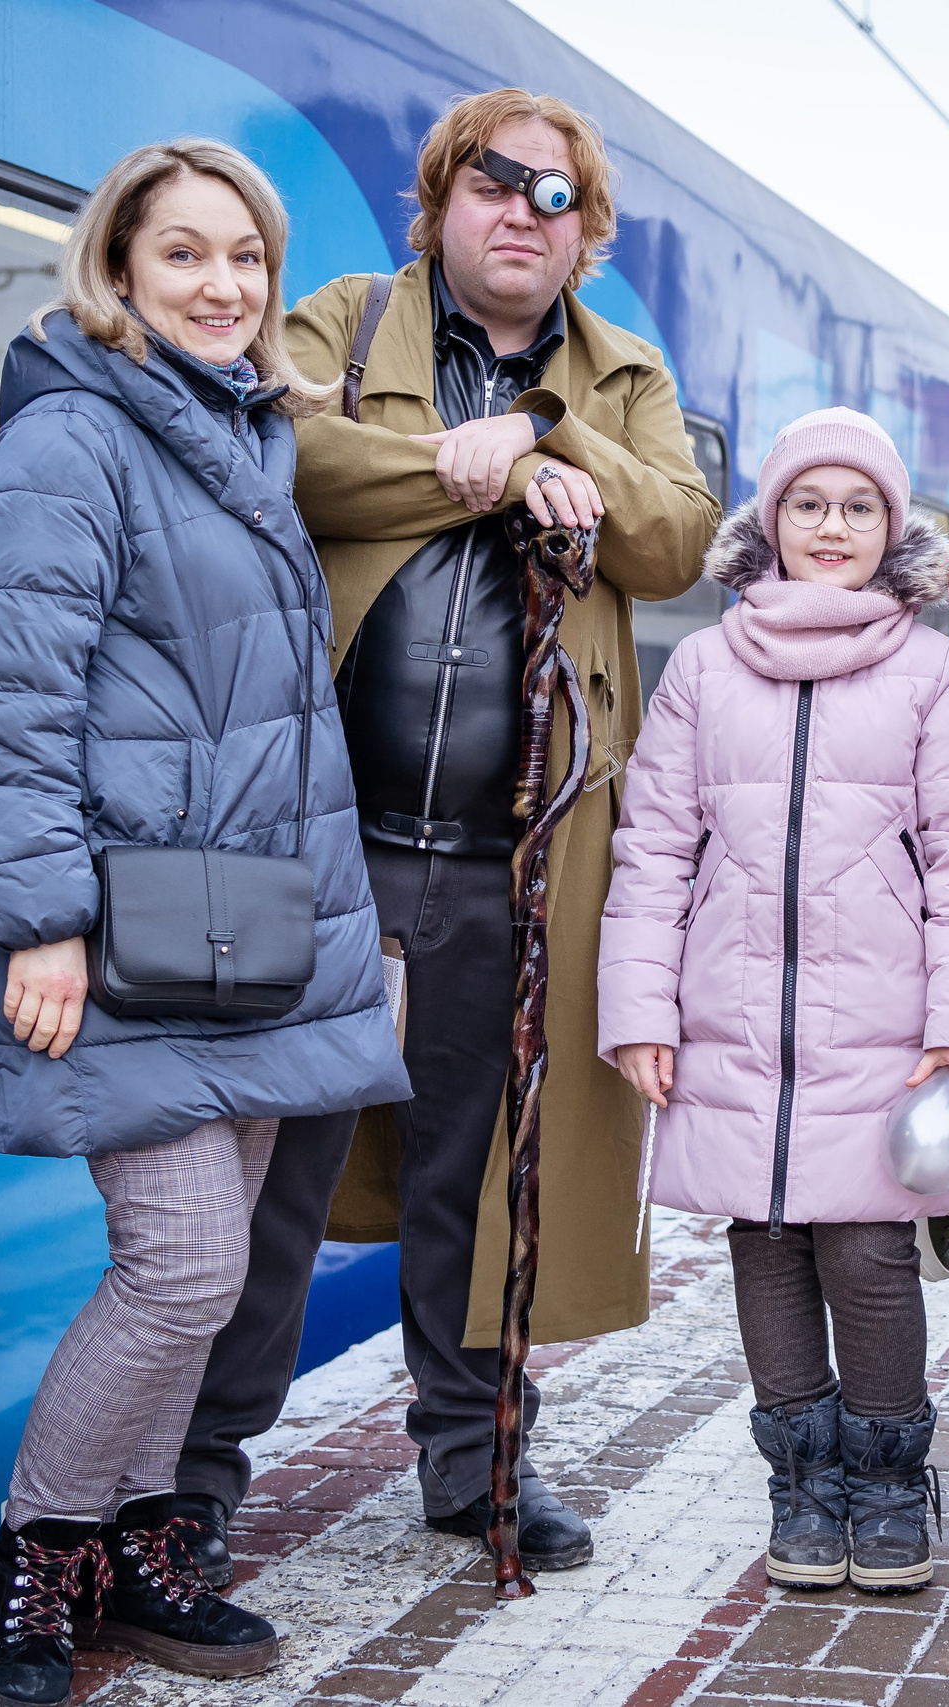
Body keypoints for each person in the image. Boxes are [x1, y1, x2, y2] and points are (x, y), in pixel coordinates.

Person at [170, 88, 718, 1582]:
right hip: (319, 846)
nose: (524, 215)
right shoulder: (347, 322)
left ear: (587, 235)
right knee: (268, 1177)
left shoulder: (625, 371)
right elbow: (275, 453)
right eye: (497, 184)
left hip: (512, 862)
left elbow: (674, 533)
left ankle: (474, 1469)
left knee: (481, 1183)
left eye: (559, 199)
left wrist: (549, 436)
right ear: (439, 198)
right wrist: (470, 465)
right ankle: (198, 1482)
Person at [0, 140, 410, 1707]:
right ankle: (35, 1557)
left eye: (247, 259)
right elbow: (6, 697)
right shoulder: (76, 435)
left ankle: (141, 1542)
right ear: (119, 271)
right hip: (123, 930)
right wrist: (41, 918)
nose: (223, 287)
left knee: (215, 1259)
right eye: (185, 256)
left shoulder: (244, 435)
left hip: (249, 931)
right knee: (186, 1265)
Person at [598, 409, 949, 1594]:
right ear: (770, 522)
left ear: (893, 529)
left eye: (860, 508)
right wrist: (640, 1008)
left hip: (883, 1030)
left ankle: (888, 1478)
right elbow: (656, 852)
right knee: (764, 1245)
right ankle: (803, 1479)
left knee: (870, 1256)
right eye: (809, 505)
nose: (833, 528)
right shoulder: (705, 669)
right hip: (730, 1020)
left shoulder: (933, 671)